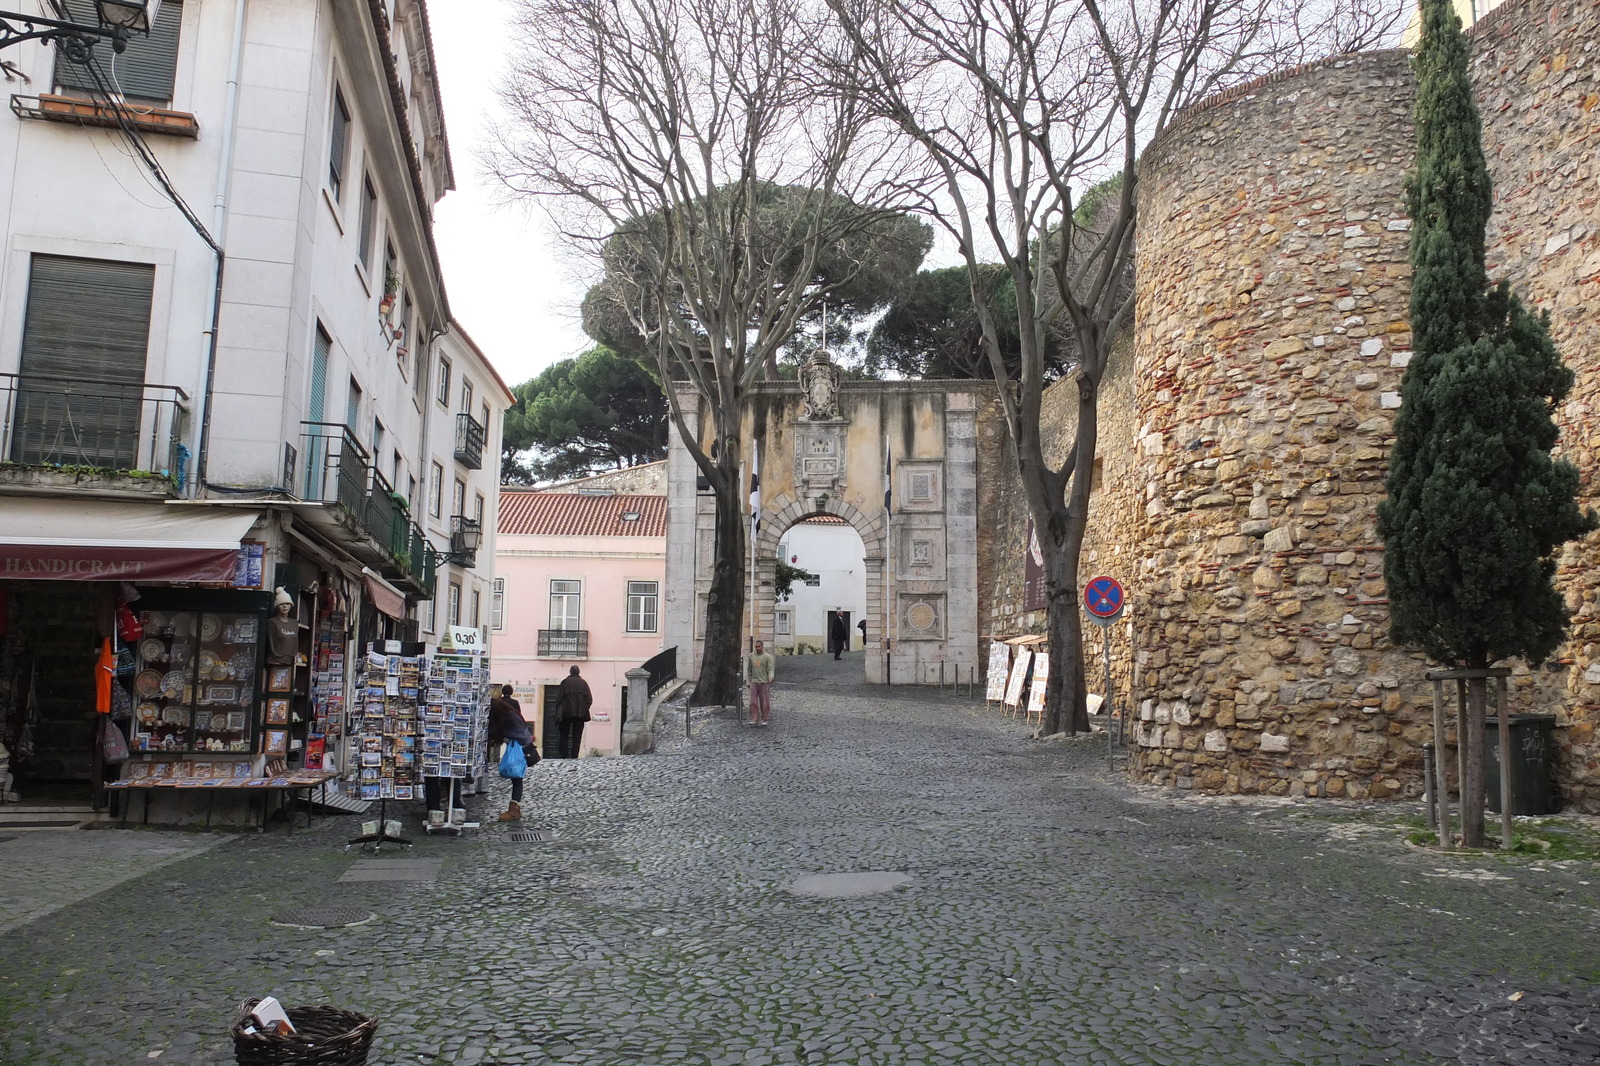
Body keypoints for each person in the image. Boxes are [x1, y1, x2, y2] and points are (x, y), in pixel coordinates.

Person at [487, 684, 536, 821]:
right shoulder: (511, 713)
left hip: (519, 747)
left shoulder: (509, 718)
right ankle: (515, 807)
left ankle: (513, 809)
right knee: (517, 778)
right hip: (521, 745)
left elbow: (516, 733)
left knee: (517, 776)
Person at [557, 665, 593, 759]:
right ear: (578, 672)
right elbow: (589, 699)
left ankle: (564, 755)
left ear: (570, 672)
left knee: (564, 735)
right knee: (577, 736)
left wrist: (558, 710)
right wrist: (584, 709)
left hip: (565, 713)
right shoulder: (583, 683)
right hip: (580, 714)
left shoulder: (564, 682)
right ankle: (574, 755)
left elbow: (559, 699)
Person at [747, 640, 775, 726]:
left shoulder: (768, 657)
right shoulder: (751, 656)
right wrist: (749, 680)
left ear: (762, 646)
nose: (757, 648)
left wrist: (770, 676)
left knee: (764, 702)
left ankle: (764, 718)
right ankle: (754, 718)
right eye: (756, 646)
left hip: (764, 682)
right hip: (754, 681)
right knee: (753, 701)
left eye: (759, 646)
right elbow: (749, 669)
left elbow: (770, 668)